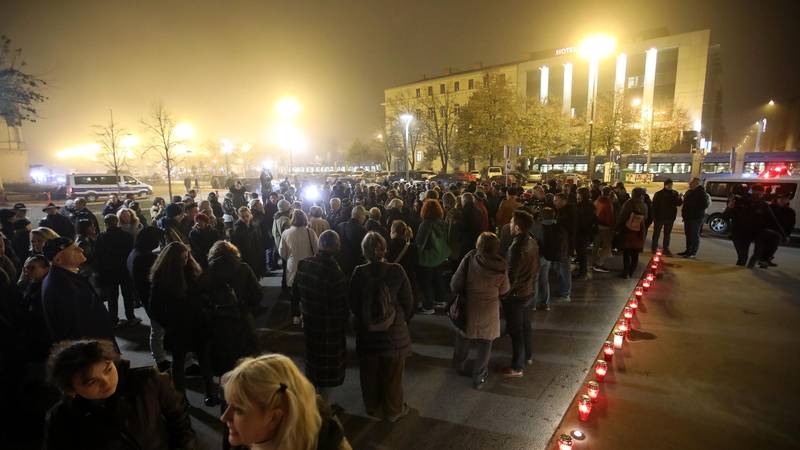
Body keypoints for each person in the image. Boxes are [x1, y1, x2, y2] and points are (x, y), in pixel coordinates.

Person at [44, 339, 197, 450]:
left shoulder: (148, 380)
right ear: (71, 389)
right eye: (91, 382)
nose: (106, 382)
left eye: (108, 370)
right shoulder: (62, 419)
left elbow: (180, 421)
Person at [220, 353, 352, 450]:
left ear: (274, 418)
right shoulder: (244, 439)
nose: (224, 417)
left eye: (238, 410)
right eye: (228, 404)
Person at [348, 232, 414, 422]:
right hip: (394, 334)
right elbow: (408, 301)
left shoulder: (359, 272)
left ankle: (372, 407)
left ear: (364, 251)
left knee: (369, 374)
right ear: (384, 248)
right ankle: (393, 410)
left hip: (367, 333)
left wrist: (365, 318)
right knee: (393, 376)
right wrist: (400, 320)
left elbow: (352, 302)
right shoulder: (397, 270)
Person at [149, 241, 217, 405]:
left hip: (197, 324)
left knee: (204, 361)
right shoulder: (162, 279)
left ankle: (210, 393)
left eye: (186, 257)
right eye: (181, 258)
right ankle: (180, 397)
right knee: (178, 363)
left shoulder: (192, 271)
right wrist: (168, 324)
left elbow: (204, 294)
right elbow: (154, 308)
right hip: (179, 326)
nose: (185, 260)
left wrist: (205, 309)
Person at [294, 230, 349, 399]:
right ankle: (323, 409)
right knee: (326, 371)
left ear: (319, 244)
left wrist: (296, 313)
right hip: (329, 328)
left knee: (312, 362)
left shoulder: (304, 264)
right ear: (337, 247)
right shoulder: (336, 273)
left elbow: (295, 293)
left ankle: (312, 403)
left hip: (309, 321)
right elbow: (341, 307)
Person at [451, 232, 510, 388]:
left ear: (479, 245)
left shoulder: (470, 259)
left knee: (463, 337)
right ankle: (479, 376)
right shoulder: (501, 266)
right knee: (486, 343)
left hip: (469, 308)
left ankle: (460, 366)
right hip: (490, 310)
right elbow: (505, 290)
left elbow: (455, 284)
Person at [41, 237, 117, 347]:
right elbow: (80, 328)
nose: (80, 250)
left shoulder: (64, 277)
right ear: (58, 259)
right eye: (73, 249)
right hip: (92, 352)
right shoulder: (63, 286)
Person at [126, 226, 170, 371]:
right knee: (159, 330)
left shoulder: (134, 253)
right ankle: (162, 360)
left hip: (146, 298)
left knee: (156, 330)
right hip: (156, 299)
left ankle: (160, 359)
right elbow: (159, 279)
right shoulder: (146, 258)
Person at [502, 210, 540, 376]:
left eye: (511, 223)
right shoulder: (532, 241)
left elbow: (511, 275)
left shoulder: (516, 247)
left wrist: (505, 293)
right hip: (528, 291)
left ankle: (517, 366)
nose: (509, 225)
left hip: (517, 295)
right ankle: (528, 356)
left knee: (516, 330)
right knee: (525, 326)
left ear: (517, 228)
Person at [94, 214, 138, 327]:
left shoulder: (101, 237)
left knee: (112, 297)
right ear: (117, 222)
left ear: (106, 223)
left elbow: (98, 256)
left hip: (109, 271)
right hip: (124, 270)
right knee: (127, 295)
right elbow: (131, 253)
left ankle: (113, 320)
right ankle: (131, 317)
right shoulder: (126, 236)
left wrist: (100, 271)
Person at [279, 210, 319, 323]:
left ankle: (295, 316)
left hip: (293, 265)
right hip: (309, 265)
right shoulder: (310, 232)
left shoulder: (286, 233)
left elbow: (282, 252)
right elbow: (317, 249)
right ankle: (308, 314)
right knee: (309, 291)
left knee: (294, 293)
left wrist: (290, 257)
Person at [414, 199, 450, 314]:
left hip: (428, 256)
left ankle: (428, 306)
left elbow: (420, 242)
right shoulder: (442, 222)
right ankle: (440, 300)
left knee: (427, 281)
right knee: (438, 278)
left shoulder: (425, 224)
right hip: (440, 255)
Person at [617, 187, 649, 278]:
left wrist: (618, 227)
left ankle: (625, 272)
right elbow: (646, 217)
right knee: (635, 253)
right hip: (639, 231)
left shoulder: (629, 203)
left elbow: (622, 216)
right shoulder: (644, 205)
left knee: (626, 253)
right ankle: (631, 271)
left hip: (628, 230)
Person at [650, 179, 683, 256]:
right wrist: (654, 217)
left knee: (667, 234)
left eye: (671, 185)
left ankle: (666, 249)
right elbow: (654, 206)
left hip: (670, 218)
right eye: (669, 185)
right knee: (656, 233)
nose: (671, 186)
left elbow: (678, 204)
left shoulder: (675, 193)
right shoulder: (659, 194)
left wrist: (679, 198)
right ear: (665, 185)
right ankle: (654, 248)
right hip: (659, 217)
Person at [679, 177, 709, 259]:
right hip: (688, 217)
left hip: (695, 217)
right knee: (688, 234)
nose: (689, 184)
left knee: (694, 235)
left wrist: (693, 207)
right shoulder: (690, 192)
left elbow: (704, 205)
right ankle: (688, 250)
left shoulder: (701, 192)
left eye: (691, 182)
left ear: (696, 183)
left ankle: (693, 253)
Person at [232, 206, 266, 279]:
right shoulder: (237, 228)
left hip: (256, 253)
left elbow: (259, 240)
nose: (245, 218)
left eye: (247, 216)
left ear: (250, 214)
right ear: (239, 216)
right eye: (243, 217)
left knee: (256, 272)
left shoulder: (255, 225)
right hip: (246, 255)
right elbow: (237, 244)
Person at [553, 193, 576, 300]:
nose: (554, 202)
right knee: (559, 268)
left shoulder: (568, 213)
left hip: (566, 246)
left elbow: (570, 229)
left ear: (563, 201)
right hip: (561, 246)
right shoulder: (562, 211)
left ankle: (566, 292)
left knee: (564, 269)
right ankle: (562, 289)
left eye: (556, 200)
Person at [335, 205, 368, 277]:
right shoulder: (362, 230)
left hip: (340, 264)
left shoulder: (339, 226)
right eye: (364, 216)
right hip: (355, 266)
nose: (365, 218)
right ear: (361, 216)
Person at [574, 187, 596, 279]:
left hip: (583, 232)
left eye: (578, 194)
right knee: (581, 252)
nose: (577, 195)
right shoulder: (585, 205)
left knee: (582, 253)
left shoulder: (586, 206)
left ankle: (583, 272)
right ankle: (581, 270)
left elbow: (585, 221)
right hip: (582, 232)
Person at [592, 186, 615, 272]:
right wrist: (613, 227)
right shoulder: (608, 203)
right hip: (605, 227)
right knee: (607, 246)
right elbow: (610, 217)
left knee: (596, 245)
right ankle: (599, 264)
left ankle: (593, 262)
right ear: (610, 194)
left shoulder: (597, 201)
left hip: (597, 225)